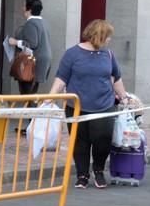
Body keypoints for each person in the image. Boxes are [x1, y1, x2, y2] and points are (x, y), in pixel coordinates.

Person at [47, 19, 128, 189]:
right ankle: (82, 175)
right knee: (80, 142)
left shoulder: (108, 55)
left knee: (102, 140)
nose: (109, 40)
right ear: (99, 36)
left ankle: (98, 170)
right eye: (107, 36)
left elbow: (116, 78)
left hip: (104, 106)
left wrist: (125, 97)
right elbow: (61, 78)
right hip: (77, 107)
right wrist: (50, 97)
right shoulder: (72, 54)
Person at [8, 0, 52, 96]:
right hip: (41, 62)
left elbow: (32, 44)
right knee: (31, 94)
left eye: (24, 6)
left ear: (29, 10)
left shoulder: (31, 23)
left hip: (31, 64)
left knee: (27, 95)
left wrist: (15, 42)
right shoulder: (42, 22)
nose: (22, 8)